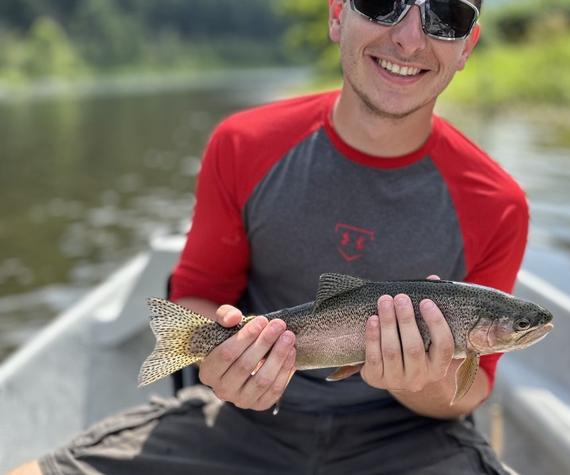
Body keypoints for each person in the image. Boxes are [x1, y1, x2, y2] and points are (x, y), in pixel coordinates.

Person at [11, 1, 528, 473]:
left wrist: (431, 380)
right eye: (380, 3)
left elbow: (474, 387)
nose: (410, 39)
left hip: (415, 441)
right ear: (336, 16)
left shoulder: (498, 204)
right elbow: (199, 294)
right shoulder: (244, 143)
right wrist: (220, 366)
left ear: (467, 46)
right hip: (240, 422)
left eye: (447, 16)